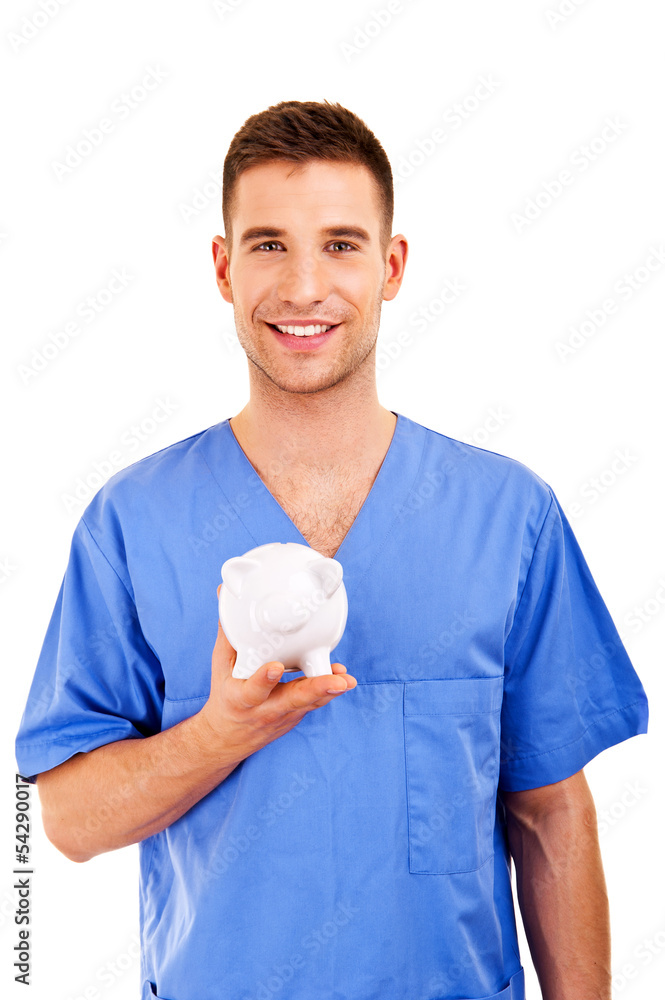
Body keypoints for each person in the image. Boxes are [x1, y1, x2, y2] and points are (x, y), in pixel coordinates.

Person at [16, 99, 648, 1000]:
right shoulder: (133, 522)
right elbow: (68, 821)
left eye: (341, 244)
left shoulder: (508, 516)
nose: (304, 286)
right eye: (269, 244)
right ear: (223, 267)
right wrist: (217, 736)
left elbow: (549, 815)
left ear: (391, 267)